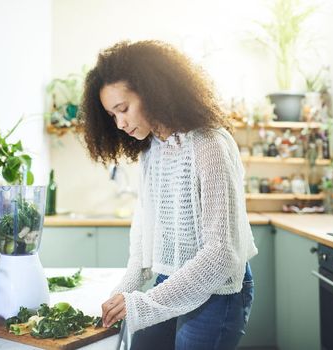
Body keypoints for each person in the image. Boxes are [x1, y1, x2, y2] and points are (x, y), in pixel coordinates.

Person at [79, 40, 258, 350]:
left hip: (219, 293)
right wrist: (124, 292)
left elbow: (222, 253)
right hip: (171, 280)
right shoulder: (152, 151)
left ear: (153, 91)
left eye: (123, 109)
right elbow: (145, 233)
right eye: (111, 115)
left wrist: (142, 304)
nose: (120, 123)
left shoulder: (209, 144)